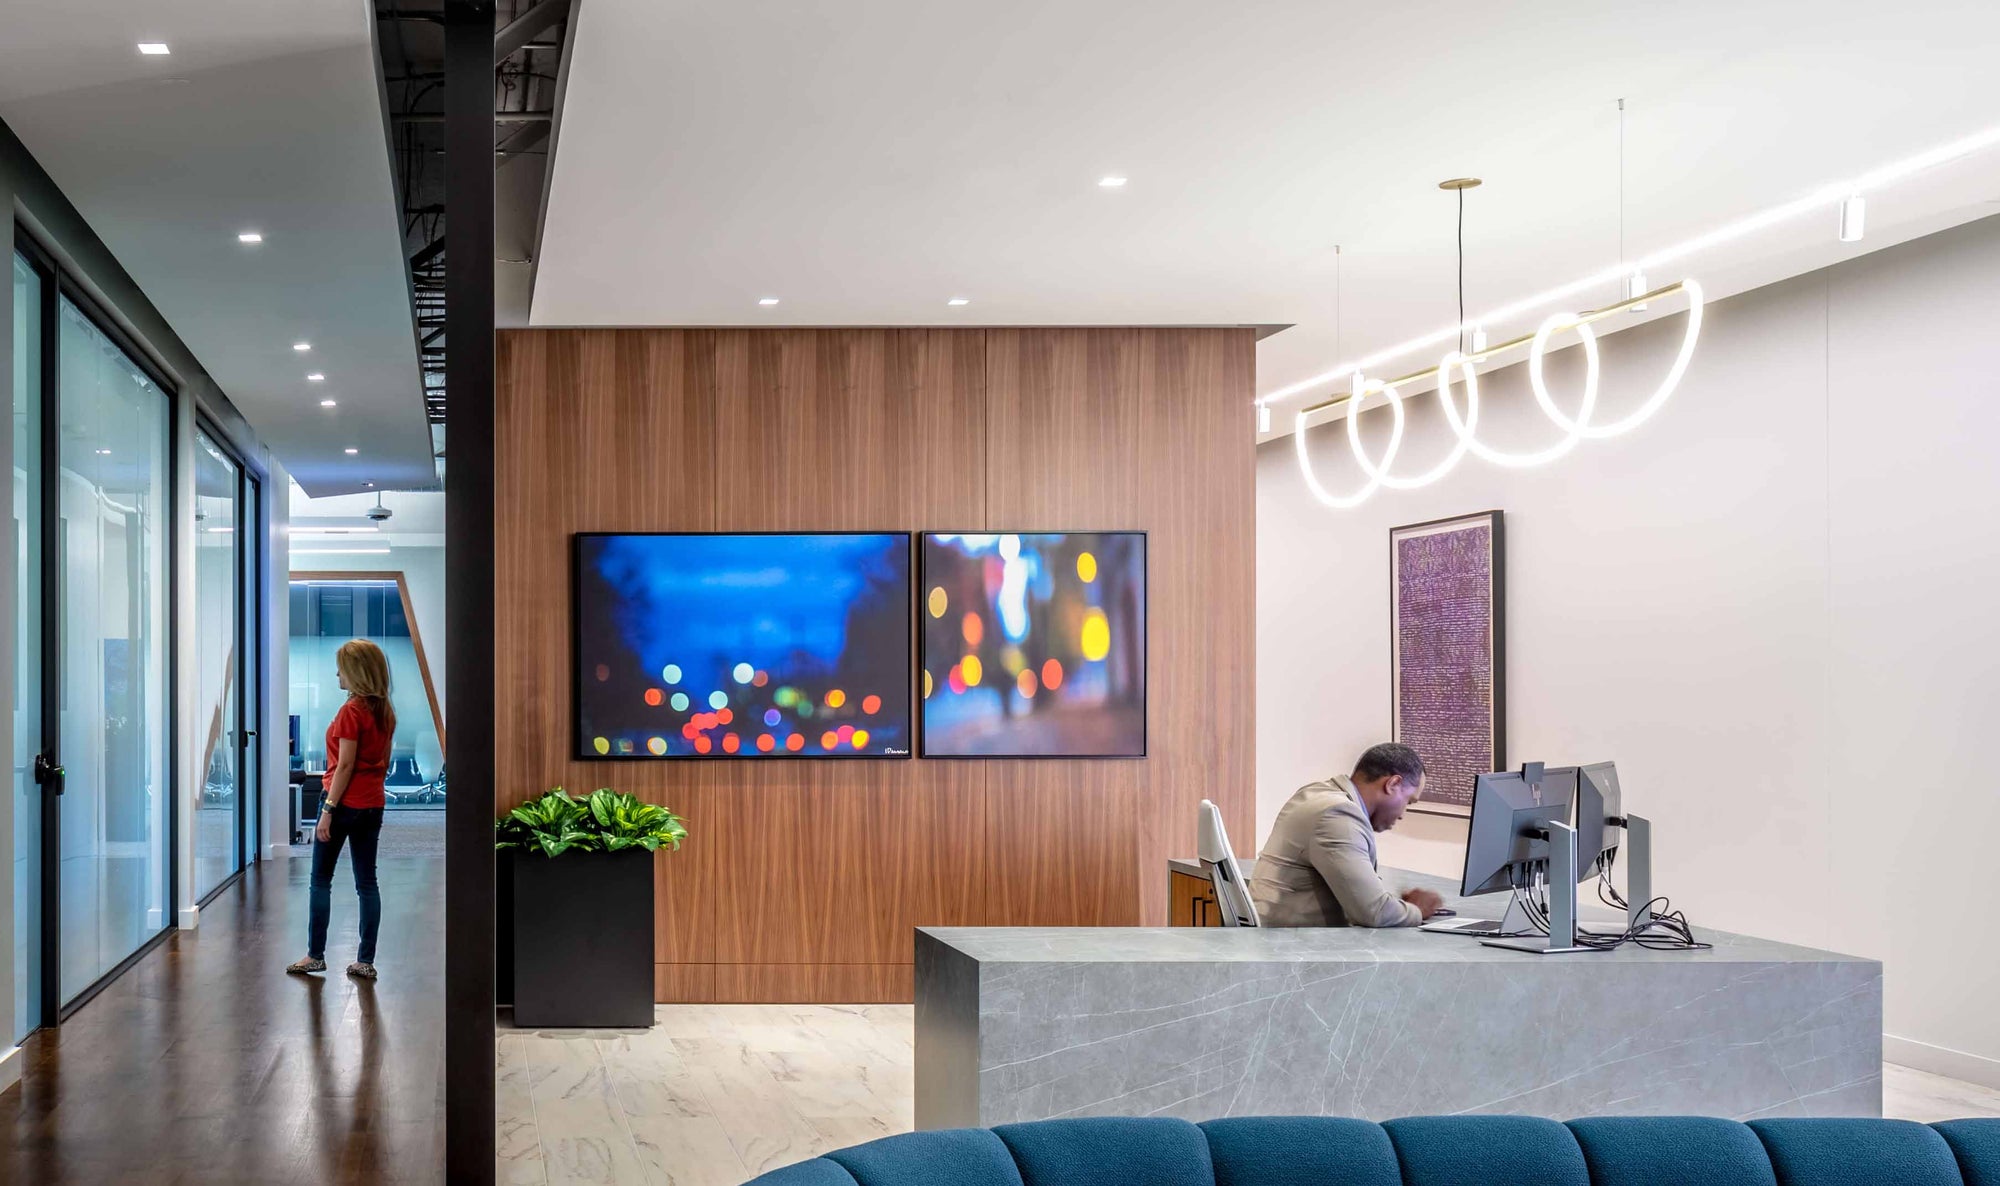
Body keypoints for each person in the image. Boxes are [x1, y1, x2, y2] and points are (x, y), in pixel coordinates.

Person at [288, 639, 396, 979]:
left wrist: (329, 809)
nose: (337, 673)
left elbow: (345, 765)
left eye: (342, 668)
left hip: (343, 802)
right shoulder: (384, 710)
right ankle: (366, 961)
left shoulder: (352, 711)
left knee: (321, 880)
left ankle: (315, 956)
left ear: (357, 672)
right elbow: (384, 760)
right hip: (372, 804)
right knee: (367, 883)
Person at [1249, 742, 1447, 927]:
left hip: (1274, 934)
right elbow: (1374, 911)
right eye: (1409, 801)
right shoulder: (1337, 815)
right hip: (1290, 949)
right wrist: (1419, 909)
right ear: (1393, 784)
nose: (1403, 814)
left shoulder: (1317, 793)